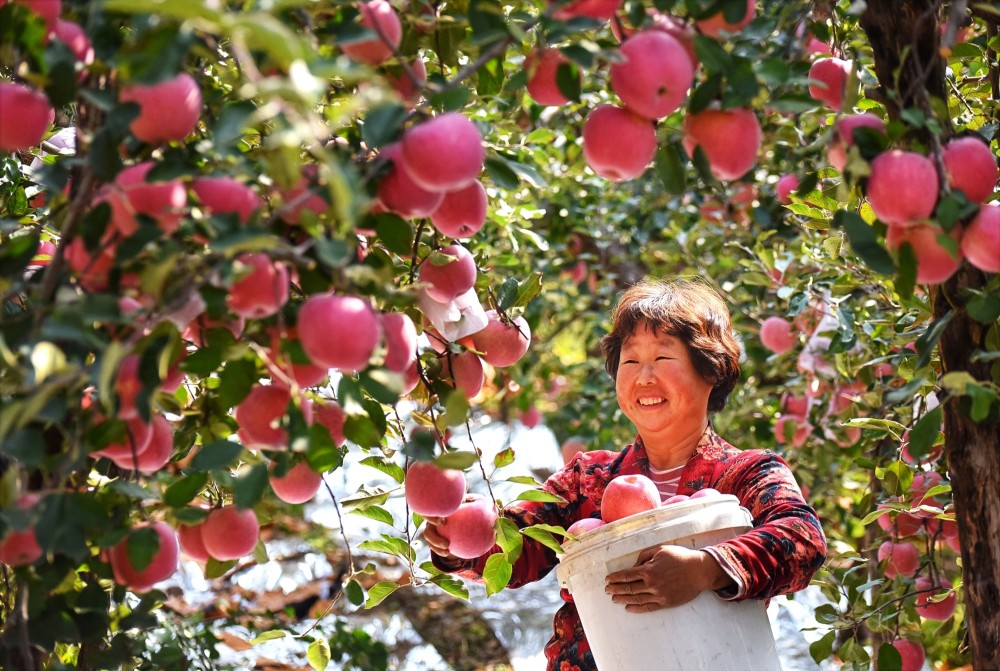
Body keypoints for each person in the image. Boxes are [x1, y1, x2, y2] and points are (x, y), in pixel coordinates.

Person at [424, 277, 827, 670]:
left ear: (711, 372)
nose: (643, 376)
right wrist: (460, 536)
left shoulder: (747, 474)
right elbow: (520, 547)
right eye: (630, 361)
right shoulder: (590, 477)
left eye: (663, 358)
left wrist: (707, 567)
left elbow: (803, 539)